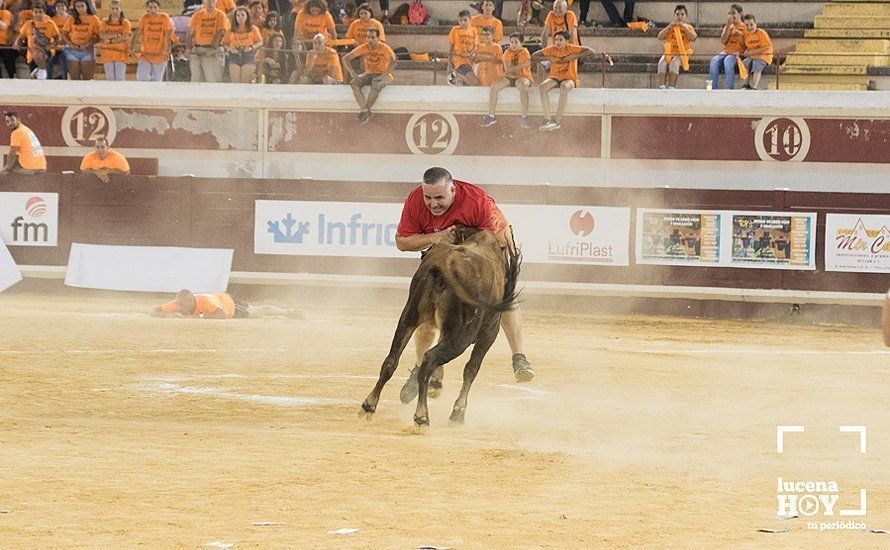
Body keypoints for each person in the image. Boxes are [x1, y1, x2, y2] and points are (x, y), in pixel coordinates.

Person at [395, 167, 535, 402]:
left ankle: (518, 356)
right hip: (441, 257)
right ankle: (424, 370)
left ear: (453, 190)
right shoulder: (414, 201)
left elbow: (504, 239)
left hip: (481, 261)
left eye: (439, 198)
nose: (433, 204)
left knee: (505, 299)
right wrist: (434, 238)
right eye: (428, 197)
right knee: (424, 312)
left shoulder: (477, 202)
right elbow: (402, 242)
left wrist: (496, 275)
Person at [532, 29, 594, 131]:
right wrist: (550, 58)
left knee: (564, 87)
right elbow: (534, 56)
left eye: (560, 40)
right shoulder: (552, 49)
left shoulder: (571, 48)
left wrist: (574, 56)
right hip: (555, 77)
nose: (558, 42)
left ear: (566, 41)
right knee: (542, 87)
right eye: (556, 40)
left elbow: (590, 51)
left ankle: (557, 121)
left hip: (570, 78)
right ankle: (547, 119)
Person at [341, 27, 394, 123]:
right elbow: (345, 58)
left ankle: (366, 111)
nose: (370, 40)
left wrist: (383, 76)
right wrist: (351, 71)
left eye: (373, 37)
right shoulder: (364, 47)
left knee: (375, 84)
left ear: (378, 38)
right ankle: (365, 110)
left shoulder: (384, 48)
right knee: (354, 83)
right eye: (368, 37)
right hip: (368, 74)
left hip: (383, 75)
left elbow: (393, 61)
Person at [483, 32, 532, 129]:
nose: (513, 44)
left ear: (521, 43)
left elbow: (519, 71)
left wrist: (518, 67)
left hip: (524, 76)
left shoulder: (525, 52)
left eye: (516, 42)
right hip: (510, 77)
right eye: (511, 42)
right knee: (494, 86)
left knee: (522, 85)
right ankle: (491, 116)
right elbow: (508, 70)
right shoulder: (507, 52)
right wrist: (523, 65)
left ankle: (525, 116)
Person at [151, 289, 302, 319]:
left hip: (229, 304)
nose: (180, 308)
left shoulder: (205, 303)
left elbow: (221, 314)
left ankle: (287, 312)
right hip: (219, 298)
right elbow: (155, 311)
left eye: (183, 306)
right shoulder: (178, 303)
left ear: (191, 302)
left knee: (257, 311)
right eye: (179, 306)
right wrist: (165, 316)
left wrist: (199, 317)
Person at [187, 0, 230, 82]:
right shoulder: (197, 15)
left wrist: (213, 49)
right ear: (203, 2)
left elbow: (221, 32)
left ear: (216, 2)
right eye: (207, 1)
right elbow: (189, 33)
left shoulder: (221, 15)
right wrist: (188, 49)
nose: (210, 3)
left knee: (213, 81)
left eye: (213, 1)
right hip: (197, 50)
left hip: (213, 51)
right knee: (196, 80)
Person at [131, 0, 174, 81]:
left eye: (155, 7)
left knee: (156, 81)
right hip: (146, 54)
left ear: (159, 8)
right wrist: (132, 47)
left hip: (160, 55)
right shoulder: (144, 18)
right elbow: (137, 33)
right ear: (147, 8)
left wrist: (168, 49)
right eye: (150, 7)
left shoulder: (164, 17)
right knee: (141, 78)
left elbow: (168, 34)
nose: (153, 10)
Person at [656, 4, 696, 90]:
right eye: (677, 14)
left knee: (674, 64)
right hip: (669, 53)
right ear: (674, 16)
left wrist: (684, 28)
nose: (679, 17)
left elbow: (693, 38)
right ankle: (662, 87)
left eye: (682, 14)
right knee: (661, 63)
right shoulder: (670, 27)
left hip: (681, 54)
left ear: (686, 16)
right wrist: (669, 27)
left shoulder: (688, 27)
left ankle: (671, 87)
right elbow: (660, 37)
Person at [17, 4, 60, 79]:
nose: (38, 14)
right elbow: (21, 37)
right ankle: (39, 70)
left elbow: (58, 38)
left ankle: (42, 71)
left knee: (39, 53)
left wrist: (52, 45)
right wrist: (16, 44)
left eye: (40, 12)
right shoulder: (28, 23)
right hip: (31, 54)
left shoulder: (50, 23)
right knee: (34, 79)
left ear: (44, 12)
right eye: (35, 12)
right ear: (32, 13)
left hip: (47, 52)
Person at [709, 4, 744, 90]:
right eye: (729, 13)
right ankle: (712, 88)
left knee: (728, 60)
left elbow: (748, 43)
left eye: (733, 13)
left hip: (739, 53)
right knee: (714, 60)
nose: (731, 16)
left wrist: (740, 34)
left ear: (740, 14)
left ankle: (729, 88)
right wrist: (728, 26)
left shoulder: (746, 26)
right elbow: (723, 41)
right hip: (727, 51)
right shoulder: (728, 26)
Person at [62, 0, 100, 80]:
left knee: (87, 79)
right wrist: (72, 45)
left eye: (82, 6)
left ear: (87, 6)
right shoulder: (72, 18)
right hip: (73, 51)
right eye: (77, 7)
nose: (80, 9)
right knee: (75, 79)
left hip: (87, 50)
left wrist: (87, 44)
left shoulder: (94, 19)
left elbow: (98, 37)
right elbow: (64, 34)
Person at [1, 111, 47, 176]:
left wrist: (7, 168)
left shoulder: (17, 132)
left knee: (7, 168)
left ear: (19, 120)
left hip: (32, 170)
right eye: (7, 121)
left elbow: (12, 153)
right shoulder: (25, 129)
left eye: (12, 120)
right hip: (41, 167)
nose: (10, 123)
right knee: (13, 161)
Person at [224, 6, 262, 82]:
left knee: (245, 82)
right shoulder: (230, 30)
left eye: (242, 15)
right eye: (238, 15)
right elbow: (225, 43)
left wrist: (251, 48)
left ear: (247, 16)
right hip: (234, 55)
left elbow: (260, 42)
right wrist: (230, 48)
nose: (240, 18)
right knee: (235, 81)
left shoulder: (253, 28)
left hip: (247, 55)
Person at [97, 0, 130, 81]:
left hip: (120, 53)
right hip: (107, 53)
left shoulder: (125, 22)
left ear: (120, 9)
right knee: (109, 78)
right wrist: (116, 35)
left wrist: (110, 40)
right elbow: (102, 35)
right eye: (112, 8)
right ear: (109, 9)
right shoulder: (104, 21)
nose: (114, 11)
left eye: (116, 8)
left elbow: (125, 37)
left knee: (120, 78)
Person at [740, 13, 772, 90]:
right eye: (747, 25)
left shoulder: (761, 33)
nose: (749, 27)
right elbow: (750, 48)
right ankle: (746, 84)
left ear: (755, 24)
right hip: (753, 56)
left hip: (764, 55)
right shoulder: (746, 35)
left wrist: (753, 52)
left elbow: (766, 47)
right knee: (745, 63)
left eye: (751, 24)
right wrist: (747, 52)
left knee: (756, 64)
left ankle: (755, 86)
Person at [447, 9, 477, 85]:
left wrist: (469, 53)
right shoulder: (455, 30)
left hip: (469, 61)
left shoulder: (474, 31)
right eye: (460, 20)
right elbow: (451, 48)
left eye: (465, 20)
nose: (462, 22)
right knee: (476, 83)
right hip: (459, 61)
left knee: (468, 84)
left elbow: (475, 47)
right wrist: (449, 64)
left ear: (470, 19)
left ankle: (459, 77)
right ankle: (457, 74)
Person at [0, 5, 16, 78]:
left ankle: (12, 76)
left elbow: (4, 26)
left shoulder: (5, 13)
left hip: (4, 43)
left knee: (8, 56)